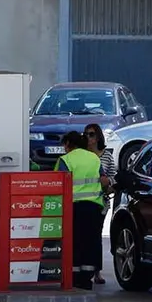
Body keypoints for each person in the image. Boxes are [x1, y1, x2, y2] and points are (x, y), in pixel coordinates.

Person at [54, 131, 109, 290]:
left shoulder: (65, 160)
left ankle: (74, 276)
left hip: (73, 206)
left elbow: (58, 183)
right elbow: (104, 180)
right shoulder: (94, 158)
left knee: (74, 241)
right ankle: (87, 278)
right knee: (90, 242)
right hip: (94, 206)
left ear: (68, 144)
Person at [83, 123, 117, 285]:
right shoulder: (82, 155)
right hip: (84, 202)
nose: (88, 138)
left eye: (91, 134)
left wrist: (108, 183)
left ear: (98, 137)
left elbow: (113, 176)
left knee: (96, 236)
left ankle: (97, 271)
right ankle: (85, 270)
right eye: (86, 135)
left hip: (101, 202)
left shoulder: (106, 156)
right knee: (85, 236)